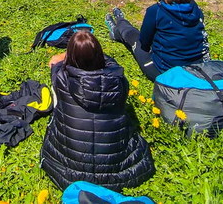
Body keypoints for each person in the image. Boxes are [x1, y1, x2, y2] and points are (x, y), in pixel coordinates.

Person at [40, 30, 155, 192]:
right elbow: (112, 64)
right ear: (99, 55)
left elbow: (54, 64)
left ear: (71, 57)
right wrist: (92, 52)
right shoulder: (118, 80)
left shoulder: (60, 78)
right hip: (118, 170)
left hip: (70, 172)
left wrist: (68, 54)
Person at [105, 0, 210, 81]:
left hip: (165, 72)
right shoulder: (194, 7)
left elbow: (144, 42)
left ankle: (119, 26)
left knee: (134, 37)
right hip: (197, 69)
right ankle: (120, 22)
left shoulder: (156, 10)